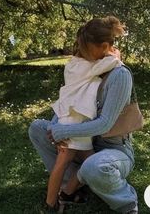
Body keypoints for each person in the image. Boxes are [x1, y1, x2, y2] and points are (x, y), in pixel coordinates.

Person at [29, 16, 138, 214]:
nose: (82, 52)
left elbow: (104, 124)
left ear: (104, 46)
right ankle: (72, 185)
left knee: (94, 166)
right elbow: (69, 99)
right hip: (82, 142)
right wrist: (57, 128)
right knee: (37, 128)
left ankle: (127, 203)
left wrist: (64, 131)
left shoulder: (120, 75)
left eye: (86, 47)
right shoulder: (87, 67)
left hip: (112, 151)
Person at [46, 27, 122, 208]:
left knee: (89, 163)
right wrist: (116, 55)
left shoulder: (73, 63)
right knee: (64, 163)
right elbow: (110, 64)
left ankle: (67, 193)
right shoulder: (85, 67)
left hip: (73, 120)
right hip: (74, 123)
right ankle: (51, 202)